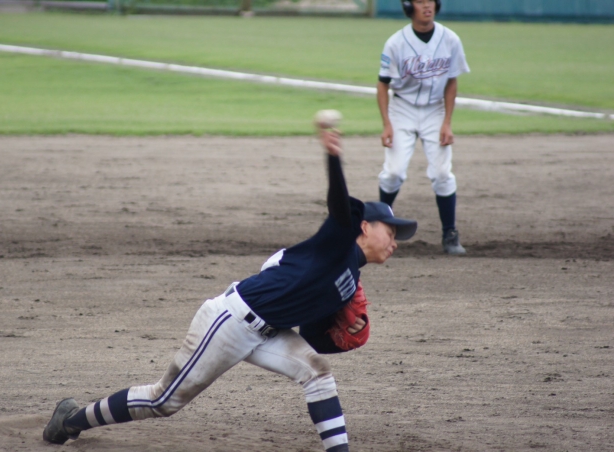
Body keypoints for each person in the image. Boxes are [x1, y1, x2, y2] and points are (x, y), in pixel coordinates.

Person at [42, 129, 417, 452]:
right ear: (365, 227)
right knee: (163, 401)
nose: (395, 242)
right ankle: (72, 418)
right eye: (390, 231)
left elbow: (312, 336)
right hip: (231, 321)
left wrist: (339, 337)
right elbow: (338, 207)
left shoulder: (349, 282)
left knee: (317, 372)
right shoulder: (337, 243)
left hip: (270, 332)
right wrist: (333, 158)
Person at [376, 0, 469, 254]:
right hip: (402, 109)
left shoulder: (450, 39)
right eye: (420, 1)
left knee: (442, 174)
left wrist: (447, 122)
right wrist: (386, 124)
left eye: (430, 1)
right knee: (393, 173)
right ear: (409, 7)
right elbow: (383, 84)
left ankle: (450, 234)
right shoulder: (396, 42)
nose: (427, 6)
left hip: (435, 110)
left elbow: (452, 82)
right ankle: (381, 227)